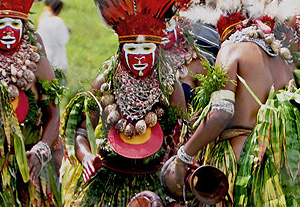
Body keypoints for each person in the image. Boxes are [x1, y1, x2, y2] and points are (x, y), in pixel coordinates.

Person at [59, 0, 188, 206]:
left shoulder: (170, 87)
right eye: (132, 47)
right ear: (121, 50)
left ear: (157, 49)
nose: (139, 55)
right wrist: (85, 157)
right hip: (107, 185)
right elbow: (81, 130)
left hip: (154, 188)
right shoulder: (105, 83)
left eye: (146, 47)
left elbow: (183, 138)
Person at [171, 0, 300, 206]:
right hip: (276, 174)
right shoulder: (284, 62)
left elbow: (222, 113)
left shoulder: (232, 50)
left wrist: (184, 156)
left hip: (238, 172)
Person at [0, 0, 65, 206]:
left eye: (14, 24)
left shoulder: (38, 64)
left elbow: (54, 115)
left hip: (29, 167)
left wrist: (41, 150)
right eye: (1, 24)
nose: (8, 31)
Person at [37, 0, 69, 75]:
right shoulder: (59, 21)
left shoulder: (42, 20)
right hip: (59, 60)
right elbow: (64, 40)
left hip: (46, 59)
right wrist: (66, 30)